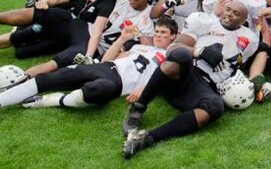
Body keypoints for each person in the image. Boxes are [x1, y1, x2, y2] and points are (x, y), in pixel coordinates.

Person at [119, 1, 258, 159]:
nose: (229, 14)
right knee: (182, 55)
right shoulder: (206, 22)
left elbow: (244, 63)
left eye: (236, 13)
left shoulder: (249, 39)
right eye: (228, 9)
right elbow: (173, 49)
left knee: (215, 106)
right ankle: (137, 108)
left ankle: (146, 139)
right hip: (184, 73)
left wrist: (254, 80)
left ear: (243, 20)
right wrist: (200, 52)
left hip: (204, 86)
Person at [0, 17, 176, 111]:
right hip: (105, 68)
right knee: (47, 79)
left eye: (164, 33)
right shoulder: (139, 47)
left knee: (95, 91)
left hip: (118, 83)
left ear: (173, 36)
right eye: (157, 32)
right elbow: (108, 59)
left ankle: (53, 100)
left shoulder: (171, 57)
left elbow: (162, 79)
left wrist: (143, 90)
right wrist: (122, 38)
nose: (159, 35)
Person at [0, 0, 114, 74]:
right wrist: (45, 1)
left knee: (21, 52)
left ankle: (26, 74)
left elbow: (97, 31)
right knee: (22, 34)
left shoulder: (107, 3)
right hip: (60, 23)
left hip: (73, 36)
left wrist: (89, 55)